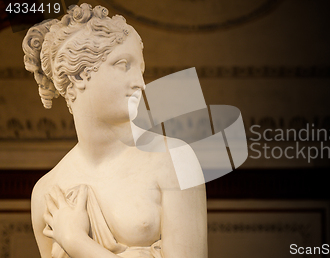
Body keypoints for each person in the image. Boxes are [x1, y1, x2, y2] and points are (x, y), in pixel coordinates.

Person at [22, 3, 207, 258]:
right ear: (79, 76)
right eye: (124, 65)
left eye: (140, 70)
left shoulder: (174, 160)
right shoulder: (47, 192)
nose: (141, 84)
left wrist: (76, 242)